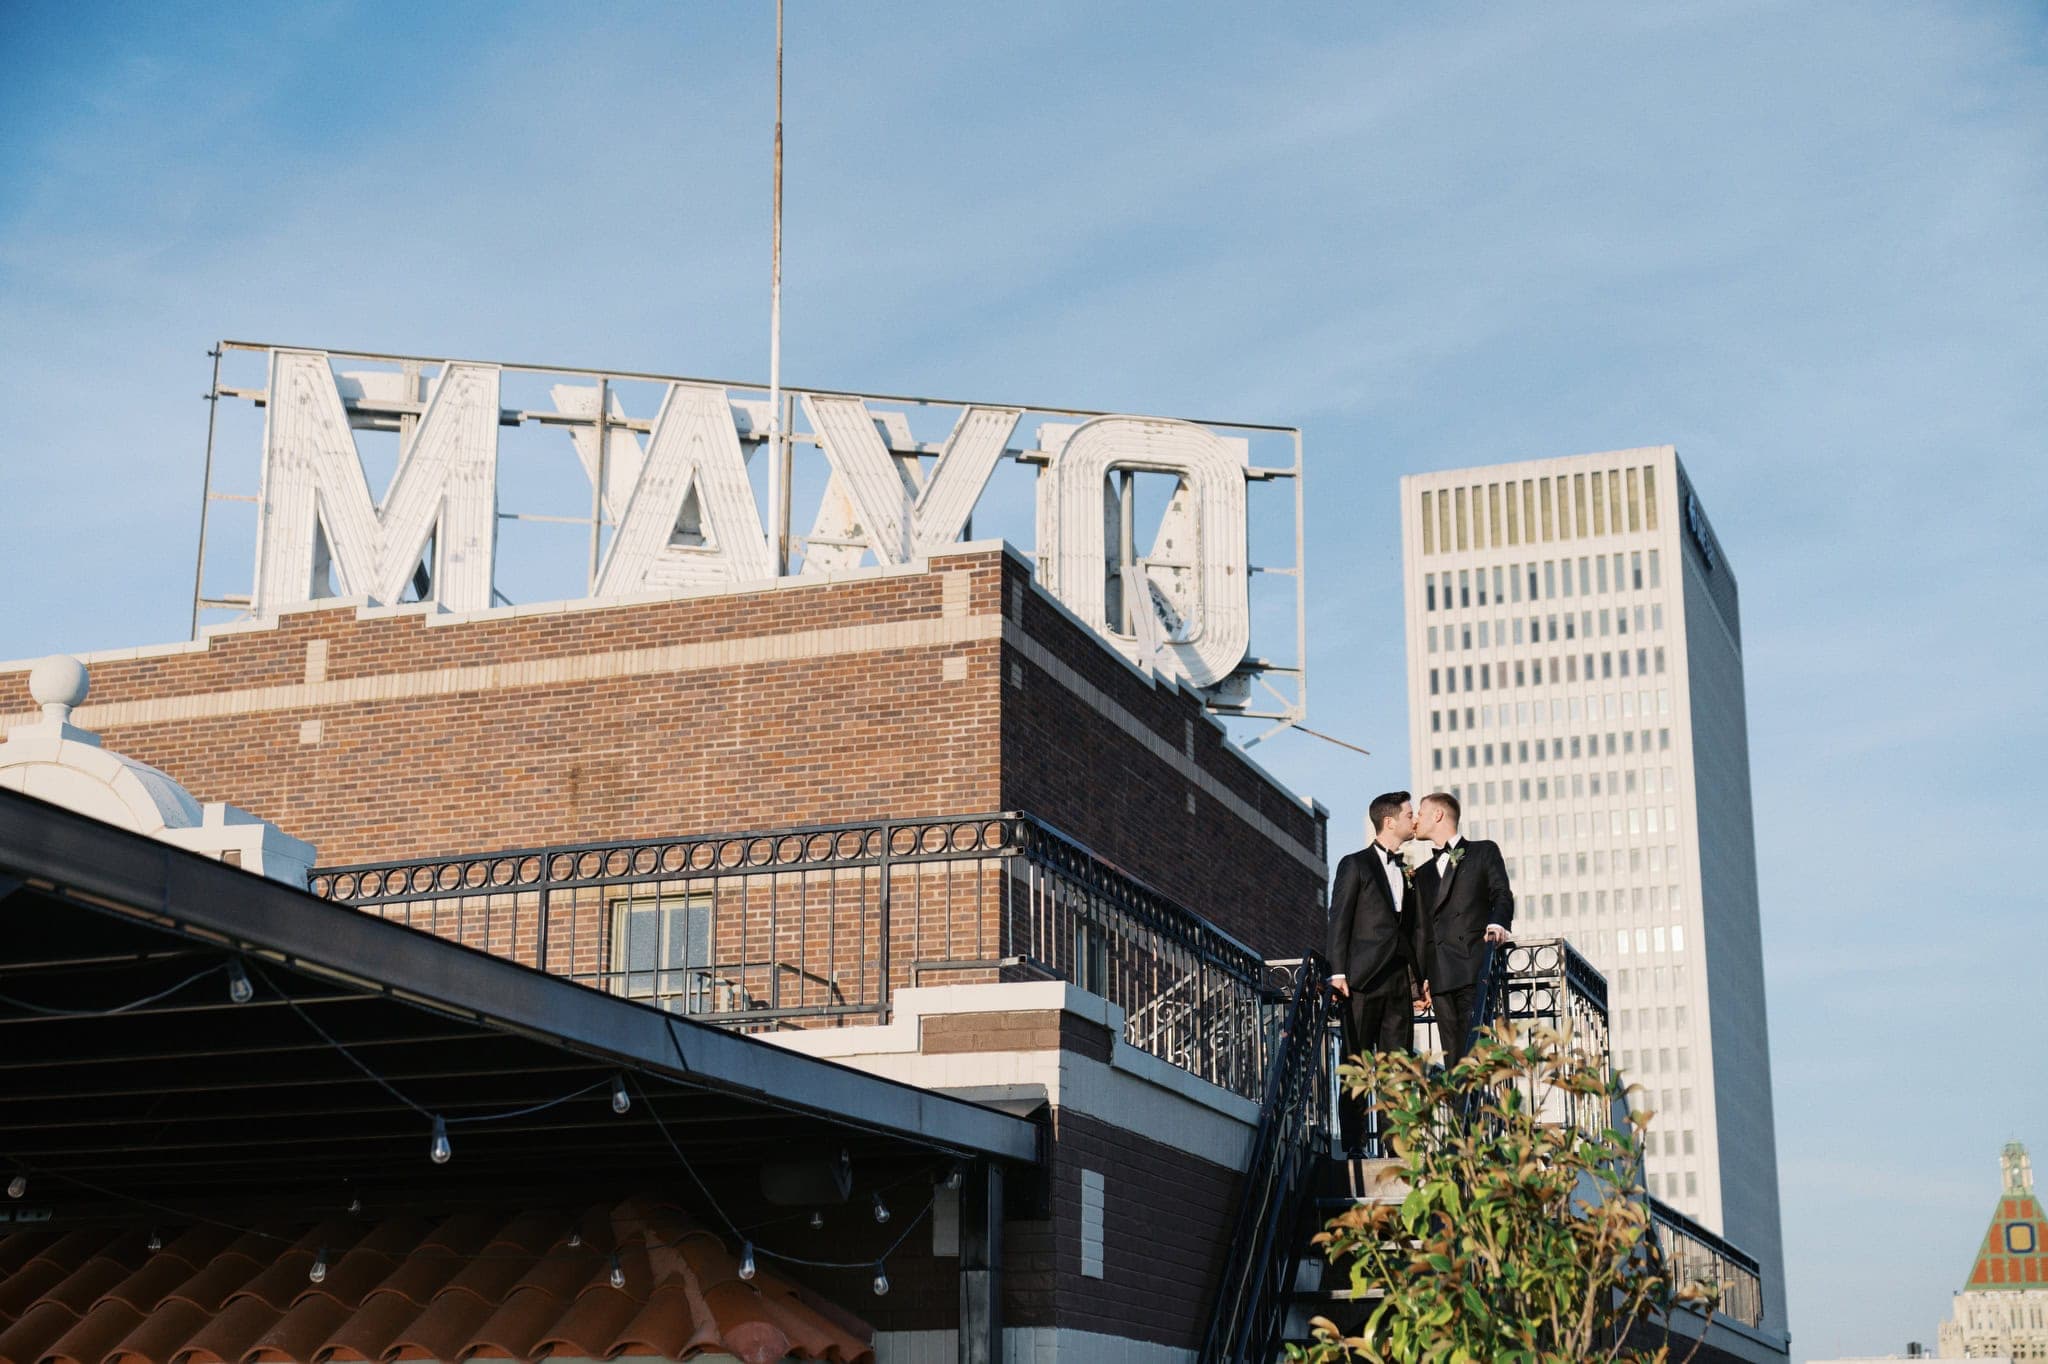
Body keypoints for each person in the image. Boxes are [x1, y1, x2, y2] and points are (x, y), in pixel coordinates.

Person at [1325, 790, 1432, 1152]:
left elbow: (1414, 931)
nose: (1414, 820)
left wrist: (1419, 980)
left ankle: (1396, 1147)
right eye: (1409, 814)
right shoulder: (1354, 864)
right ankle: (1355, 1146)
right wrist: (1337, 972)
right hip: (1360, 982)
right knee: (1356, 1064)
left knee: (1398, 1066)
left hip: (1398, 981)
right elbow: (1339, 918)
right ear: (1389, 821)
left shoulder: (1406, 869)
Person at [1411, 791, 1513, 1067]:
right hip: (1441, 977)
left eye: (1420, 813)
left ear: (1438, 815)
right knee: (1454, 1062)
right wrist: (1421, 979)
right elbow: (1421, 930)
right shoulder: (1422, 874)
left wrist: (1497, 924)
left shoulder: (1483, 851)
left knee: (1477, 1054)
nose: (1416, 819)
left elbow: (1501, 894)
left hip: (1474, 967)